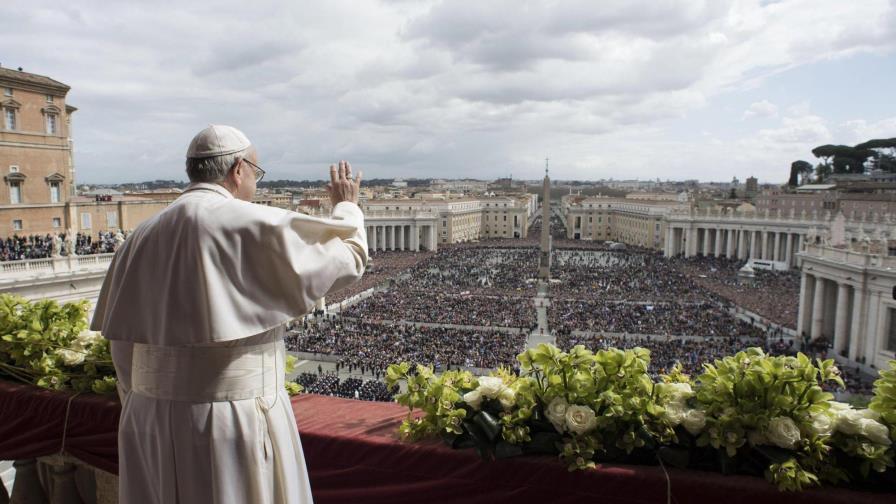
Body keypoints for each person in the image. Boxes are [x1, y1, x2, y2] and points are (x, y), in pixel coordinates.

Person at [91, 125, 368, 504]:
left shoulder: (139, 236)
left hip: (147, 418)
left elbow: (121, 347)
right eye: (257, 172)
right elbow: (348, 259)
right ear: (239, 169)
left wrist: (149, 400)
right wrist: (347, 205)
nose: (255, 180)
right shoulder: (251, 222)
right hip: (232, 418)